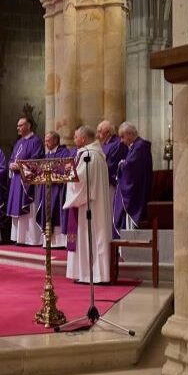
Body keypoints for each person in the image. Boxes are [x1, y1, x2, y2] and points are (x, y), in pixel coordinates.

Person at [63, 126, 113, 283]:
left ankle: (89, 275)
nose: (74, 139)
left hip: (88, 206)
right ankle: (97, 274)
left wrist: (69, 172)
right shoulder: (98, 155)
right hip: (95, 203)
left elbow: (81, 182)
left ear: (83, 139)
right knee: (96, 237)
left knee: (89, 237)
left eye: (76, 136)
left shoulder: (88, 156)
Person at [7, 116, 45, 246]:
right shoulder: (18, 142)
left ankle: (32, 239)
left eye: (20, 125)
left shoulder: (36, 141)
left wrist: (21, 166)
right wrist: (11, 165)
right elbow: (13, 158)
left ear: (28, 126)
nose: (18, 128)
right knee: (18, 207)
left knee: (29, 208)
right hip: (17, 180)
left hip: (28, 181)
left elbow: (37, 160)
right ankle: (21, 238)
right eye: (17, 126)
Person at [113, 122, 153, 236]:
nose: (121, 140)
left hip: (137, 191)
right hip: (136, 188)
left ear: (129, 134)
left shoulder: (140, 146)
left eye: (122, 136)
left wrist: (122, 165)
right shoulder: (135, 147)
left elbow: (131, 167)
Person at [35, 132, 72, 248]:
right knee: (47, 212)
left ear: (56, 141)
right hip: (47, 188)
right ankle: (48, 241)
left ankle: (60, 243)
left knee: (57, 211)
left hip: (59, 189)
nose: (46, 143)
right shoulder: (47, 155)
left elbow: (66, 169)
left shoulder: (64, 153)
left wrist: (53, 173)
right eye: (45, 141)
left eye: (48, 140)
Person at [97, 120, 128, 211]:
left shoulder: (118, 144)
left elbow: (112, 165)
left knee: (110, 208)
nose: (97, 134)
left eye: (99, 131)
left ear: (107, 132)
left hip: (112, 183)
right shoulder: (104, 144)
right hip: (104, 181)